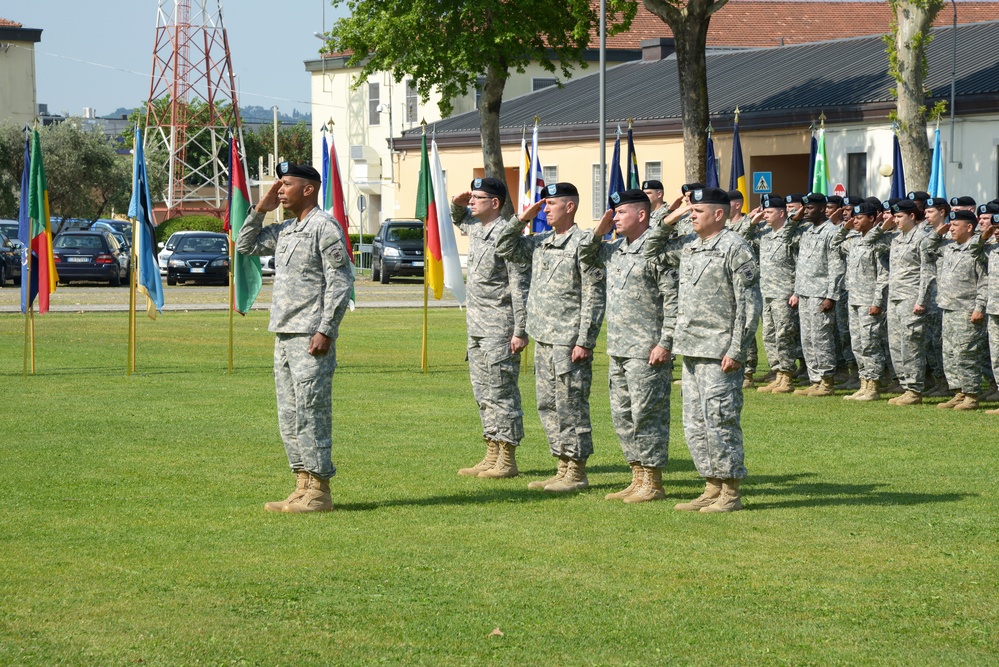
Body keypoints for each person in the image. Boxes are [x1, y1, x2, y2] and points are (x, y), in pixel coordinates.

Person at [236, 162, 354, 513]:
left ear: (309, 189)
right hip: (284, 333)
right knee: (289, 413)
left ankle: (319, 491)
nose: (280, 190)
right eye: (278, 185)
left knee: (311, 411)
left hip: (309, 334)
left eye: (286, 184)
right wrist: (261, 209)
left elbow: (341, 281)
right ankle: (302, 484)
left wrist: (326, 329)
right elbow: (244, 245)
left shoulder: (323, 226)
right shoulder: (287, 229)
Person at [646, 187, 761, 512]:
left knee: (720, 420)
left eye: (697, 211)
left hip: (720, 351)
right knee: (695, 423)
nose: (692, 215)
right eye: (691, 211)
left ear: (719, 214)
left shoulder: (734, 248)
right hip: (692, 349)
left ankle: (730, 492)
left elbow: (750, 304)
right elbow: (650, 250)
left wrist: (737, 350)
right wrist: (673, 217)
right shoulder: (691, 248)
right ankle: (711, 486)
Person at [494, 183, 605, 492]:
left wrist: (585, 339)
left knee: (571, 405)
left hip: (569, 340)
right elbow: (503, 247)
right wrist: (521, 219)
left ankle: (577, 471)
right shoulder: (541, 242)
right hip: (543, 337)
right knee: (547, 405)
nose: (545, 209)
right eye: (544, 205)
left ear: (569, 207)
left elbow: (593, 295)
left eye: (551, 204)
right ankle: (561, 465)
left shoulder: (583, 243)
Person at [580, 189, 677, 504]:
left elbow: (673, 300)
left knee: (648, 415)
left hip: (647, 350)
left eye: (621, 212)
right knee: (623, 415)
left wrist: (665, 342)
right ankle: (637, 476)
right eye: (614, 213)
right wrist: (599, 231)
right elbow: (584, 256)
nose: (615, 217)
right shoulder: (615, 250)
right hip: (619, 348)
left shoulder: (657, 250)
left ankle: (653, 481)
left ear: (642, 215)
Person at [451, 178, 531, 479]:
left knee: (502, 393)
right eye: (471, 198)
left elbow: (518, 286)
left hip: (500, 326)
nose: (472, 202)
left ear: (495, 203)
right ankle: (492, 451)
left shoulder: (507, 235)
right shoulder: (479, 229)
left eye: (478, 198)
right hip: (477, 327)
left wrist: (520, 330)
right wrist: (458, 201)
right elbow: (458, 218)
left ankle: (507, 458)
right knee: (482, 393)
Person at [879, 199, 941, 406]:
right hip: (895, 298)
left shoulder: (922, 239)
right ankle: (906, 386)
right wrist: (883, 227)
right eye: (894, 216)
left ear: (912, 216)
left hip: (911, 299)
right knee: (896, 345)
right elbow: (870, 243)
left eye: (899, 217)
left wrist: (921, 300)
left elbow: (927, 272)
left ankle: (914, 389)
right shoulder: (896, 238)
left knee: (911, 344)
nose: (895, 220)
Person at [833, 201, 890, 401]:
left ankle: (873, 385)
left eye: (859, 218)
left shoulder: (879, 242)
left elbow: (883, 275)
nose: (854, 221)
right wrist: (844, 228)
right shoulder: (855, 240)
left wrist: (877, 301)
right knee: (857, 343)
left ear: (872, 218)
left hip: (869, 302)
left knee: (870, 343)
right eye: (853, 218)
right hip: (854, 300)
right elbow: (833, 244)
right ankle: (863, 382)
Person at [931, 209, 987, 410]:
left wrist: (979, 307)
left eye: (955, 225)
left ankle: (971, 394)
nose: (951, 228)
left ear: (969, 227)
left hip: (967, 309)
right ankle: (958, 392)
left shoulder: (976, 250)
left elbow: (984, 282)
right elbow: (926, 249)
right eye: (950, 225)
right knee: (950, 353)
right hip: (948, 307)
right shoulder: (950, 247)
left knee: (966, 353)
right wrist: (938, 233)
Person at [790, 193, 846, 397]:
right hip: (804, 292)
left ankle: (827, 380)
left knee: (821, 338)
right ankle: (814, 380)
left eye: (810, 208)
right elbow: (787, 237)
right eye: (804, 208)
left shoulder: (831, 232)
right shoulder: (806, 231)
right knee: (807, 338)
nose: (806, 212)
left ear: (822, 209)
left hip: (820, 294)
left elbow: (836, 266)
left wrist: (831, 296)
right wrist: (797, 291)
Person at [748, 194, 802, 394]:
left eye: (769, 212)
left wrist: (796, 291)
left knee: (784, 335)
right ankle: (777, 373)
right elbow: (743, 237)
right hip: (767, 293)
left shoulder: (792, 237)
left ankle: (787, 376)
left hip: (784, 293)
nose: (766, 215)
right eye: (764, 212)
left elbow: (799, 266)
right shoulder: (765, 236)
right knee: (769, 336)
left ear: (782, 213)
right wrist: (752, 222)